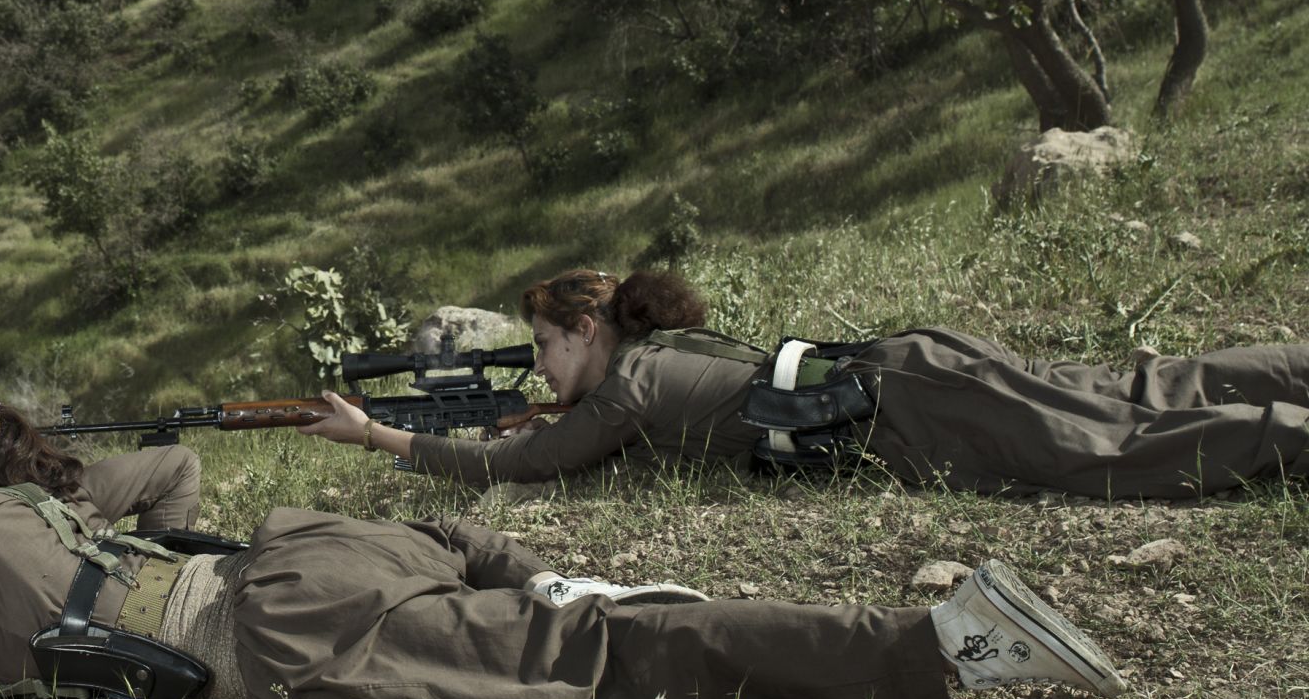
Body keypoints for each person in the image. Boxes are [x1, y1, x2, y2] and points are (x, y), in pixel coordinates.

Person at [0, 351, 1120, 699]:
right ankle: (534, 578)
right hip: (307, 555)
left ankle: (939, 650)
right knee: (532, 600)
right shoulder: (34, 493)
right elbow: (178, 475)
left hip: (286, 645)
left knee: (610, 668)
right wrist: (122, 574)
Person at [295, 268, 1309, 499]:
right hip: (910, 369)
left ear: (585, 331)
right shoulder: (645, 366)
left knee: (1112, 447)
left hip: (909, 414)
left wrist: (374, 436)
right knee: (1139, 384)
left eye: (545, 347)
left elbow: (517, 466)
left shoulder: (626, 393)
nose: (539, 365)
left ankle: (1288, 435)